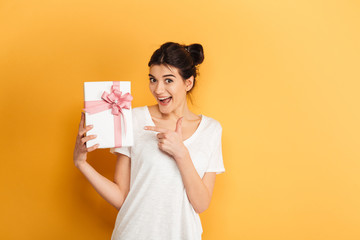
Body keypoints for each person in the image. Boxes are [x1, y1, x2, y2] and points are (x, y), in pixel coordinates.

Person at [73, 42, 225, 240]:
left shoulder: (211, 130)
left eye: (168, 80)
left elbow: (201, 204)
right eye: (153, 80)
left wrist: (181, 154)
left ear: (188, 83)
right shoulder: (133, 119)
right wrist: (81, 164)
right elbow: (122, 197)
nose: (158, 89)